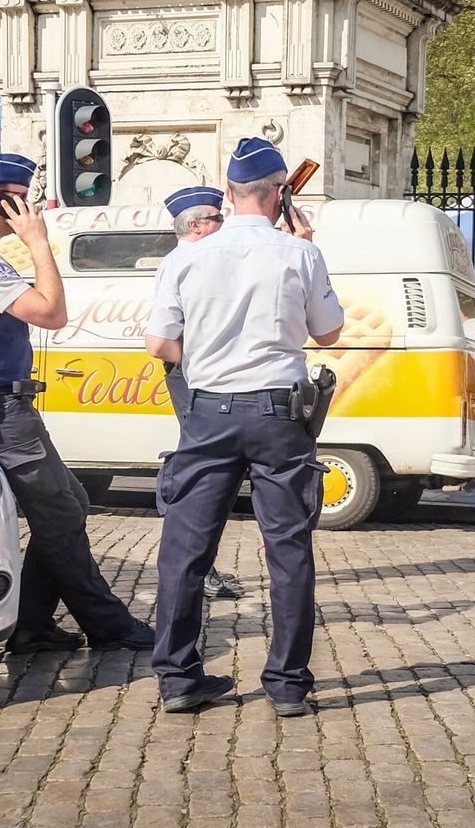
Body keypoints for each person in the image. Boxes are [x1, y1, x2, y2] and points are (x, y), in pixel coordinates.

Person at [0, 152, 155, 653]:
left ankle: (32, 624)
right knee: (62, 514)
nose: (32, 209)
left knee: (71, 503)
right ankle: (107, 624)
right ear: (1, 199)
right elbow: (50, 313)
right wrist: (39, 245)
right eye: (24, 200)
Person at [147, 138, 344, 715]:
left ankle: (179, 680)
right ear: (280, 193)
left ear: (227, 193)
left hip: (208, 409)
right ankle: (287, 684)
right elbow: (327, 333)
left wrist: (210, 348)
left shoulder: (184, 256)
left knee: (185, 549)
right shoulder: (298, 253)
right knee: (288, 548)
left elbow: (160, 343)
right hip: (279, 412)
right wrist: (303, 247)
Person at [146, 185, 245, 601]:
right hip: (193, 375)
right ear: (197, 225)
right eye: (218, 219)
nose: (224, 225)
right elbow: (160, 341)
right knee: (203, 474)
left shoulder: (194, 257)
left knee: (209, 471)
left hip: (195, 374)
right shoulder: (184, 260)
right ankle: (195, 568)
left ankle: (198, 566)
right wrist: (198, 363)